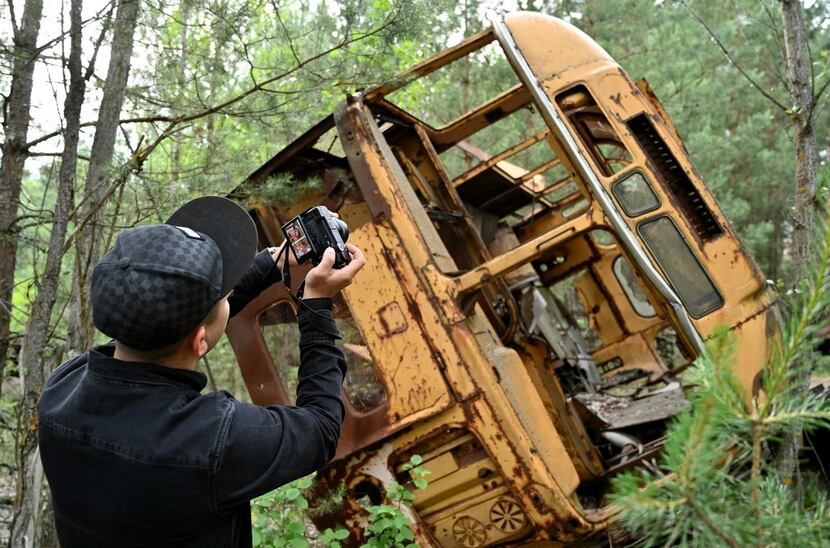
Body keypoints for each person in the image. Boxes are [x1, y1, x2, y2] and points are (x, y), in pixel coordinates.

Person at [37, 197, 366, 547]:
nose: (228, 294)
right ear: (199, 341)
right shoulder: (211, 441)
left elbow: (175, 326)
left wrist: (275, 261)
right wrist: (315, 303)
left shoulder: (62, 388)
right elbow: (320, 429)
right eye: (223, 295)